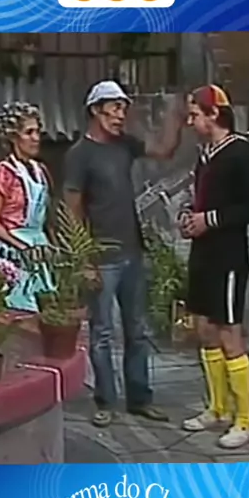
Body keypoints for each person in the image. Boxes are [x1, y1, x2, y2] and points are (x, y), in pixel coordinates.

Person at [63, 79, 185, 427]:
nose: (121, 116)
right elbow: (72, 210)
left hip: (132, 251)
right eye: (115, 108)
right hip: (102, 258)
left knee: (138, 330)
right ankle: (106, 401)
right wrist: (84, 259)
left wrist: (175, 117)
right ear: (95, 110)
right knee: (102, 333)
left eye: (123, 109)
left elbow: (163, 150)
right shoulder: (79, 155)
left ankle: (140, 398)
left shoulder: (124, 145)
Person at [179, 84, 249, 449]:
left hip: (228, 258)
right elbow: (203, 200)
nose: (190, 122)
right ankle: (218, 408)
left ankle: (245, 420)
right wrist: (190, 217)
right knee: (204, 329)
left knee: (230, 333)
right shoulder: (205, 156)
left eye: (194, 114)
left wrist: (210, 220)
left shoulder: (241, 152)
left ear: (214, 114)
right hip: (203, 254)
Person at [0, 100, 55, 312]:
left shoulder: (40, 171)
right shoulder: (3, 172)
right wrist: (21, 246)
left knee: (45, 305)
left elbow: (46, 216)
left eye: (38, 132)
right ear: (13, 137)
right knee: (18, 308)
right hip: (13, 249)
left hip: (38, 246)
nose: (36, 138)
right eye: (29, 132)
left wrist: (49, 244)